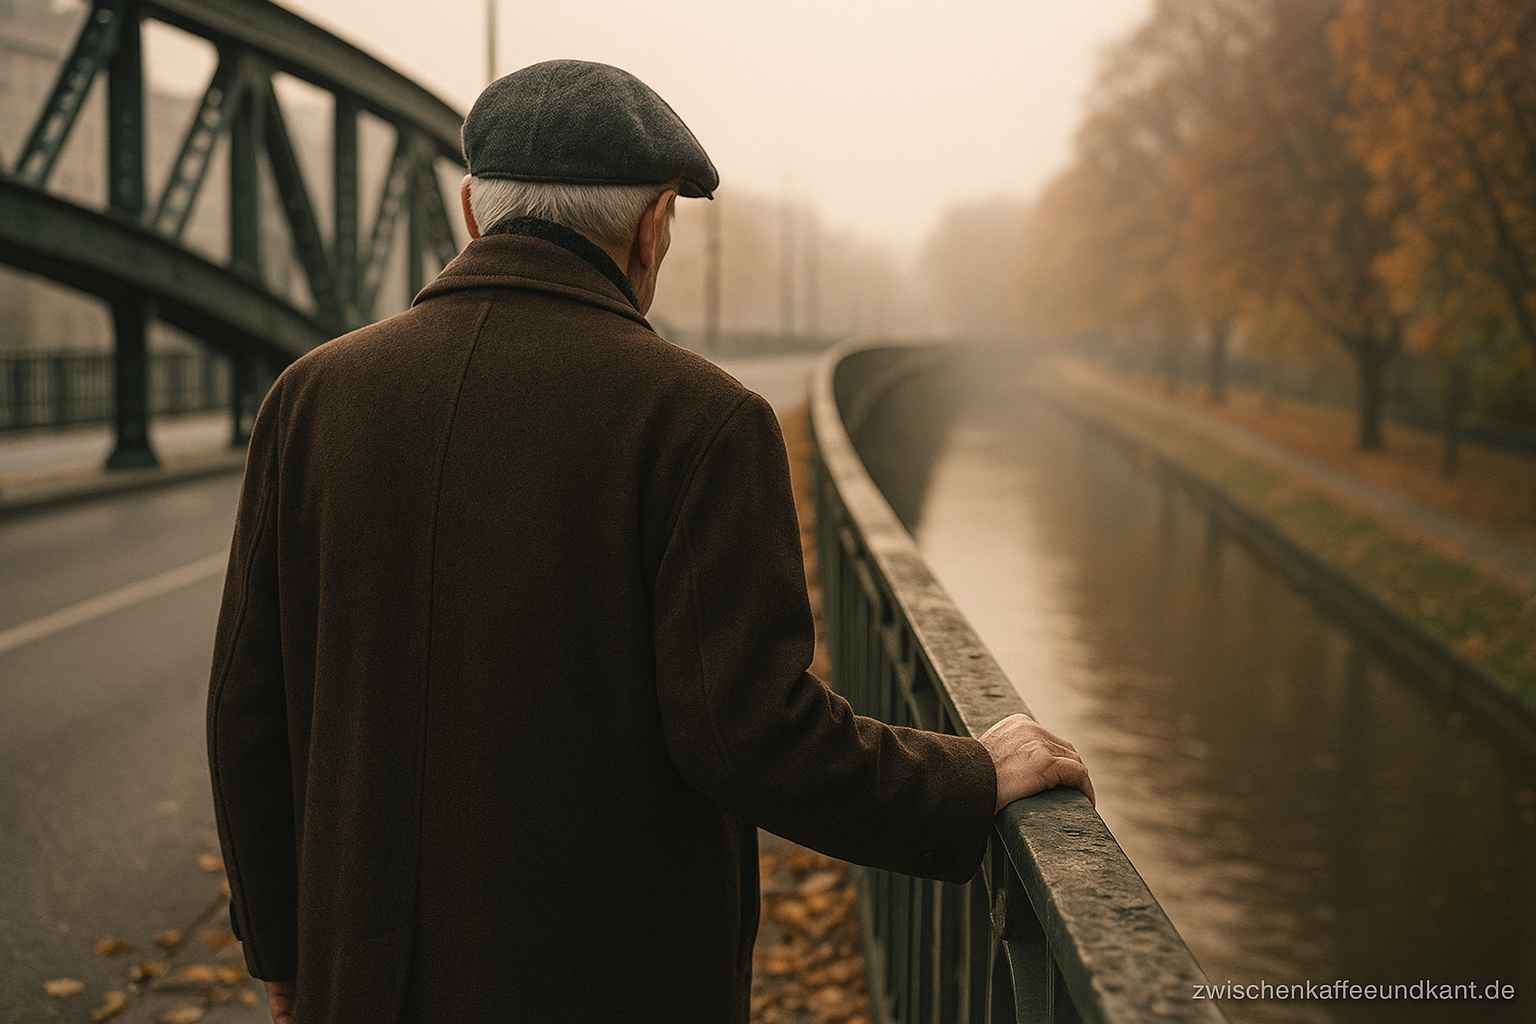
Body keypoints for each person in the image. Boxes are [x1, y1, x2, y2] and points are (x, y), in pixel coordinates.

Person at [206, 59, 1091, 1024]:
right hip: (608, 984)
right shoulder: (700, 420)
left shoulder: (311, 399)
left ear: (470, 210)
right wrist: (967, 778)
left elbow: (249, 712)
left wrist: (280, 950)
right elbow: (748, 735)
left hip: (361, 983)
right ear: (654, 222)